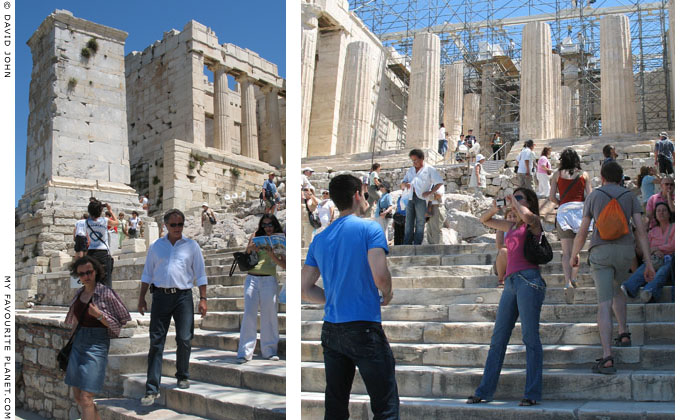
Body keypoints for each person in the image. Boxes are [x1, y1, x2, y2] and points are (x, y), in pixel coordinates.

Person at [302, 174, 399, 419]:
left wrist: (335, 297)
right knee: (385, 406)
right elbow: (380, 276)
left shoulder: (320, 238)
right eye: (364, 192)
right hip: (364, 327)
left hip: (332, 330)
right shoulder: (370, 228)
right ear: (357, 194)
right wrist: (387, 294)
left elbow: (304, 288)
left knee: (335, 407)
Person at [570, 161, 655, 374]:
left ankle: (607, 356)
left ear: (602, 176)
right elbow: (641, 231)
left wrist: (574, 254)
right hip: (625, 252)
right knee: (616, 288)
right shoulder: (629, 196)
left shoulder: (594, 196)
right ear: (620, 177)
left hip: (601, 251)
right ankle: (624, 332)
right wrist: (648, 261)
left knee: (604, 304)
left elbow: (582, 231)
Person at [467, 188, 546, 406]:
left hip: (530, 280)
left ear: (528, 201)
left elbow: (528, 216)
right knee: (498, 338)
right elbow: (486, 220)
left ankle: (532, 393)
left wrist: (517, 203)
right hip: (510, 282)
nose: (514, 200)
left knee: (530, 337)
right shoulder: (511, 225)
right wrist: (495, 207)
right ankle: (484, 390)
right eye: (513, 197)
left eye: (519, 197)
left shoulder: (534, 222)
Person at [138, 209, 208, 406]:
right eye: (173, 225)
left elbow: (200, 274)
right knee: (156, 342)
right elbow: (147, 273)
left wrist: (203, 299)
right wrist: (142, 297)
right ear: (165, 226)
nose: (177, 228)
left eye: (180, 225)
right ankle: (152, 388)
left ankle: (183, 374)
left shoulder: (192, 246)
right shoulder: (156, 246)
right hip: (160, 296)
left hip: (183, 297)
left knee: (185, 338)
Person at [64, 256, 131, 420]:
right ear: (77, 276)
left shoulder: (106, 293)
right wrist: (70, 342)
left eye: (89, 272)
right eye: (82, 274)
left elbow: (122, 319)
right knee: (79, 397)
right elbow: (76, 321)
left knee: (87, 397)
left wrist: (100, 316)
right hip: (78, 342)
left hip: (97, 343)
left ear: (96, 272)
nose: (86, 276)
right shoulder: (79, 294)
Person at [238, 215, 285, 362]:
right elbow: (246, 256)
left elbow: (285, 265)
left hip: (269, 279)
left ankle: (269, 351)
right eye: (264, 225)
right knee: (249, 314)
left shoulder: (281, 239)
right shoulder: (255, 236)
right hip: (252, 278)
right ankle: (245, 352)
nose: (267, 227)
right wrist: (250, 249)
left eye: (270, 224)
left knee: (269, 315)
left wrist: (272, 255)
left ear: (275, 225)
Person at [549, 148, 591, 290]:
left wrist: (561, 202)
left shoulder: (556, 175)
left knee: (566, 252)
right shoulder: (584, 175)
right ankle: (574, 277)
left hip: (564, 213)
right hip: (580, 213)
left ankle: (567, 282)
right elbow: (590, 196)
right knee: (576, 251)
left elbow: (551, 197)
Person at [621, 202, 674, 303]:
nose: (661, 213)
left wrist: (656, 248)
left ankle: (649, 291)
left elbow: (673, 245)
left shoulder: (675, 227)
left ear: (668, 213)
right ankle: (628, 287)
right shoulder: (653, 231)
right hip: (655, 259)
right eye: (658, 211)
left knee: (662, 272)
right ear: (655, 215)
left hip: (670, 259)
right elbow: (646, 247)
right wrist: (654, 251)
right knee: (645, 268)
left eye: (664, 210)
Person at [401, 149, 443, 245]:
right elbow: (402, 183)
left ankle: (417, 245)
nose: (414, 162)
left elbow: (439, 182)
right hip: (410, 197)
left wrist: (430, 192)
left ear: (422, 159)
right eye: (412, 160)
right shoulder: (410, 170)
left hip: (421, 199)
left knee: (420, 223)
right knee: (408, 222)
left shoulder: (429, 169)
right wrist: (405, 184)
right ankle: (406, 245)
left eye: (415, 160)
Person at [85, 200, 118, 288]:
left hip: (91, 252)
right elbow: (117, 223)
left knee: (92, 280)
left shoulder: (87, 222)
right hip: (103, 252)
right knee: (105, 280)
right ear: (100, 211)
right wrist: (110, 210)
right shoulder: (105, 220)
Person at [493, 209, 518, 288]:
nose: (512, 218)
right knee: (503, 251)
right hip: (506, 257)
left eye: (514, 216)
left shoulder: (524, 228)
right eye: (509, 216)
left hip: (520, 257)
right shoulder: (501, 229)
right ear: (506, 218)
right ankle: (501, 280)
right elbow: (499, 245)